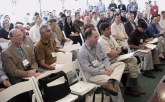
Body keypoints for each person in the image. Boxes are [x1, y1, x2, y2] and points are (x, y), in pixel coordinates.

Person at [77, 28, 125, 102]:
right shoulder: (82, 52)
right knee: (111, 81)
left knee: (121, 64)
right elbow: (89, 69)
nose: (98, 39)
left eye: (98, 36)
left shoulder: (97, 45)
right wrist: (104, 72)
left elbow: (105, 58)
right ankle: (112, 83)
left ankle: (112, 82)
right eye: (95, 37)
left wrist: (108, 68)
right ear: (87, 38)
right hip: (92, 75)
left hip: (103, 68)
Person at [99, 22, 145, 96]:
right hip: (111, 62)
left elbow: (119, 49)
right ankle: (132, 87)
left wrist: (116, 51)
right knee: (132, 63)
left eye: (110, 28)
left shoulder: (110, 37)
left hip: (117, 57)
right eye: (108, 29)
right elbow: (112, 55)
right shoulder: (101, 41)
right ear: (102, 31)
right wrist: (117, 51)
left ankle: (132, 86)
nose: (110, 30)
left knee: (134, 59)